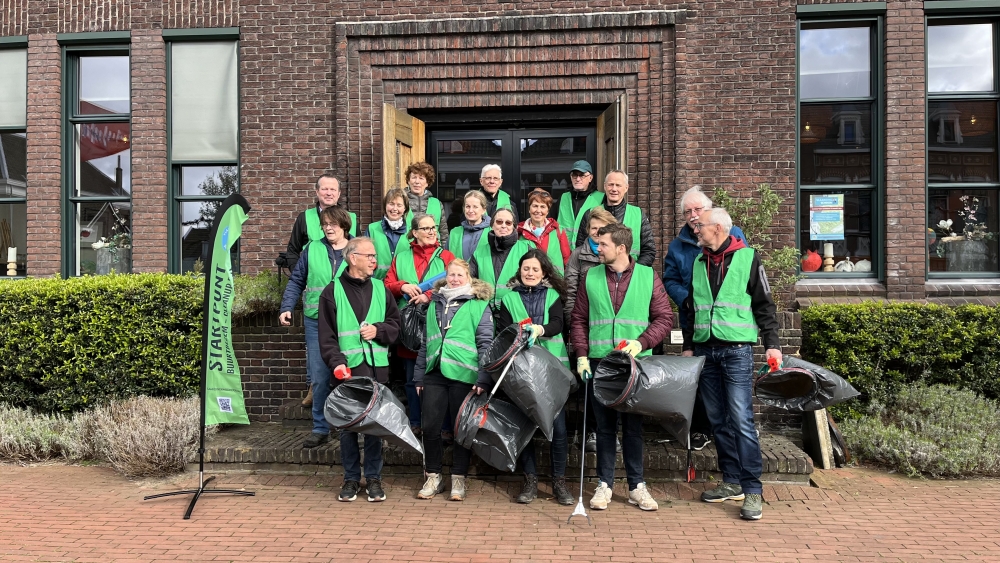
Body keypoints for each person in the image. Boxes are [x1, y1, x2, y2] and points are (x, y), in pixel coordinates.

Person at [681, 207, 781, 521]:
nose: (696, 230)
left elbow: (764, 304)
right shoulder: (698, 262)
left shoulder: (748, 258)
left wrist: (772, 345)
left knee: (740, 421)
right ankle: (732, 481)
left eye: (701, 226)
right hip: (706, 352)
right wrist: (688, 345)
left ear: (720, 229)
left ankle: (753, 490)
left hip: (736, 350)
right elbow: (691, 308)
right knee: (717, 421)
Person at [570, 223, 672, 512]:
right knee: (604, 428)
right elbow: (578, 319)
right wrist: (581, 355)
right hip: (601, 363)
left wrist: (641, 343)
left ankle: (637, 486)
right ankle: (604, 484)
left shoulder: (647, 276)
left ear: (621, 248)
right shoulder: (590, 277)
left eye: (602, 245)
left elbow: (664, 318)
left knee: (633, 428)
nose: (597, 248)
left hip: (635, 364)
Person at [662, 185, 747, 451]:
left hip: (727, 325)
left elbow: (744, 272)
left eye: (698, 209)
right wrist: (685, 299)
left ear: (709, 210)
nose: (693, 215)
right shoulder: (678, 246)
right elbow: (670, 278)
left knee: (730, 387)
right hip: (694, 320)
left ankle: (733, 434)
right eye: (688, 211)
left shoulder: (732, 234)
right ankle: (702, 429)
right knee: (700, 380)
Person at [316, 237, 401, 502]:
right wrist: (337, 362)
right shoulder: (331, 292)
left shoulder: (380, 288)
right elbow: (327, 336)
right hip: (348, 372)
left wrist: (379, 330)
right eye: (370, 256)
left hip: (377, 371)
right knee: (348, 429)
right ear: (353, 258)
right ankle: (351, 479)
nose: (375, 260)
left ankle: (374, 479)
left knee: (374, 429)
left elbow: (396, 325)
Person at [494, 249, 574, 506]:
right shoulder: (508, 299)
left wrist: (540, 329)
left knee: (558, 429)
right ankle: (529, 481)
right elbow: (504, 332)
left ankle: (558, 481)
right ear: (519, 271)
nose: (530, 273)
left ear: (544, 273)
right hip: (523, 373)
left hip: (551, 372)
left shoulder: (552, 296)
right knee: (527, 427)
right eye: (526, 269)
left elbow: (559, 325)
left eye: (535, 269)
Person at [414, 259, 494, 501]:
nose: (455, 279)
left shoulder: (480, 304)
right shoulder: (435, 303)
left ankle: (459, 478)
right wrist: (419, 375)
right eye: (451, 275)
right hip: (434, 373)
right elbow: (425, 342)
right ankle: (433, 476)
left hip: (465, 375)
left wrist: (483, 377)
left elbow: (485, 344)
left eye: (460, 275)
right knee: (430, 427)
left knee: (461, 429)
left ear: (469, 278)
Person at [278, 206, 353, 443]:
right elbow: (297, 280)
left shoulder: (356, 250)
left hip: (347, 322)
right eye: (325, 224)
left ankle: (345, 426)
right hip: (316, 320)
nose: (328, 228)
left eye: (333, 224)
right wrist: (287, 307)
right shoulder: (312, 249)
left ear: (344, 225)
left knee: (345, 374)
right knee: (320, 376)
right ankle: (320, 428)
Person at [384, 213, 455, 436]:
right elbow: (387, 283)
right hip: (410, 326)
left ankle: (442, 426)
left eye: (433, 227)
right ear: (414, 232)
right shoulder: (402, 256)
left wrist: (428, 294)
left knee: (439, 377)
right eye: (425, 228)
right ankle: (416, 422)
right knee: (411, 378)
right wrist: (403, 286)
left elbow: (457, 283)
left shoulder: (446, 256)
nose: (432, 231)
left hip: (438, 321)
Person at [563, 207, 617, 453]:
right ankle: (593, 432)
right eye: (593, 228)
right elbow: (570, 292)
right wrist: (573, 325)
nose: (597, 233)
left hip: (613, 329)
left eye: (602, 229)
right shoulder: (578, 256)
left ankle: (611, 432)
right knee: (590, 383)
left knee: (612, 383)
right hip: (586, 328)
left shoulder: (617, 255)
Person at [574, 171, 656, 267]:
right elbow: (581, 246)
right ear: (605, 186)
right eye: (610, 185)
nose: (614, 189)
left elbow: (649, 250)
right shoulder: (590, 213)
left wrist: (633, 272)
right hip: (597, 276)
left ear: (626, 188)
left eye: (618, 185)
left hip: (630, 276)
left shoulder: (638, 214)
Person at [285, 174, 357, 270]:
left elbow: (359, 250)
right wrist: (299, 275)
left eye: (333, 189)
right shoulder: (305, 217)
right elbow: (292, 251)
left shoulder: (351, 218)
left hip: (346, 281)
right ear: (317, 192)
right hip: (316, 282)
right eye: (324, 189)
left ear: (339, 193)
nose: (329, 193)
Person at [470, 208, 535, 312]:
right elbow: (470, 282)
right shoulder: (478, 253)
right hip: (485, 313)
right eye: (499, 222)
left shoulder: (527, 250)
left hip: (517, 311)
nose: (503, 225)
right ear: (492, 225)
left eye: (508, 223)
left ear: (514, 227)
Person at [516, 189, 571, 274]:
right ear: (529, 209)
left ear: (547, 211)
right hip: (528, 281)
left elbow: (567, 260)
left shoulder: (558, 230)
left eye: (542, 207)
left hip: (553, 283)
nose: (538, 210)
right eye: (535, 206)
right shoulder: (519, 231)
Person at [365, 187, 410, 280]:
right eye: (391, 204)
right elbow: (365, 257)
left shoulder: (412, 231)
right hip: (376, 283)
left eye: (399, 205)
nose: (395, 208)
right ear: (385, 206)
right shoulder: (372, 229)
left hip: (403, 286)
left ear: (405, 208)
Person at [556, 160, 605, 246]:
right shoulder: (563, 198)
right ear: (571, 177)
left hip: (589, 253)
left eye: (582, 175)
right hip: (563, 253)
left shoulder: (601, 198)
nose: (578, 179)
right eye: (575, 175)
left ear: (590, 178)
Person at [404, 162, 448, 243]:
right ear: (408, 181)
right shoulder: (401, 201)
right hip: (405, 251)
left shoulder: (437, 203)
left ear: (427, 182)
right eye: (414, 177)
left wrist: (442, 252)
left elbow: (443, 233)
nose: (417, 181)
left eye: (421, 178)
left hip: (433, 251)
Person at [446, 190, 491, 261]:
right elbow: (446, 259)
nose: (470, 210)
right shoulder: (454, 233)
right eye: (467, 206)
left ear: (483, 210)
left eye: (475, 207)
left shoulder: (492, 232)